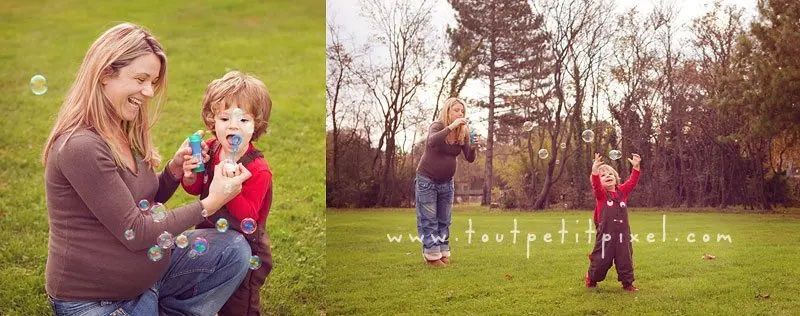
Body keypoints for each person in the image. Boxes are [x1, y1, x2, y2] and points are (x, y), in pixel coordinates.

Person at [42, 22, 253, 315]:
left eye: (152, 81)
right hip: (100, 302)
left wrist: (173, 172)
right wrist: (210, 202)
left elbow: (140, 199)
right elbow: (135, 230)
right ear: (104, 74)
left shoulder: (122, 128)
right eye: (141, 78)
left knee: (233, 250)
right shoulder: (81, 146)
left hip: (149, 279)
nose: (149, 91)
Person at [181, 70, 273, 315]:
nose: (233, 125)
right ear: (213, 122)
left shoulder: (257, 169)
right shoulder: (209, 149)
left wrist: (232, 189)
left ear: (256, 125)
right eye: (224, 119)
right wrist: (190, 176)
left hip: (247, 247)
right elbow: (196, 188)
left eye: (243, 120)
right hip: (209, 236)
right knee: (206, 291)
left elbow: (248, 218)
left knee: (239, 305)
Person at [415, 97, 477, 267]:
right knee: (429, 220)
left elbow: (469, 158)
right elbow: (432, 141)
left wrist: (473, 146)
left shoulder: (462, 132)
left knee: (444, 220)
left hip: (446, 182)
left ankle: (442, 253)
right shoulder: (437, 126)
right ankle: (432, 257)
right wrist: (452, 126)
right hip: (427, 179)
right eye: (456, 110)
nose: (460, 113)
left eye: (462, 111)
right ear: (448, 111)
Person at [585, 152, 642, 291]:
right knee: (601, 261)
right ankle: (592, 278)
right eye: (603, 175)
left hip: (623, 235)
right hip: (606, 235)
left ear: (616, 179)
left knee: (625, 259)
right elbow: (596, 185)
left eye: (610, 174)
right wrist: (595, 171)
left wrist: (636, 168)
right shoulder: (601, 195)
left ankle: (627, 283)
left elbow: (632, 182)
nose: (608, 176)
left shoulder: (622, 192)